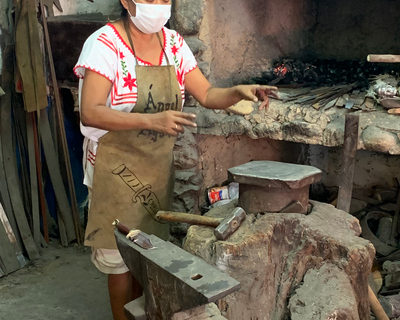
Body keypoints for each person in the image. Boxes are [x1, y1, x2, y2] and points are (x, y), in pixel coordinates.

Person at [74, 0, 277, 319]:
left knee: (147, 255)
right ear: (127, 1)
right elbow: (91, 111)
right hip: (115, 170)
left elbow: (208, 95)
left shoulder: (173, 44)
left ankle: (143, 314)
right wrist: (152, 121)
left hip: (155, 169)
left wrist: (238, 91)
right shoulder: (103, 44)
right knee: (119, 262)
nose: (158, 6)